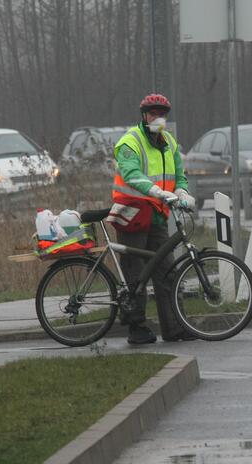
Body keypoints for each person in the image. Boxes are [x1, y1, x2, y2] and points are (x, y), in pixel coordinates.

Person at [109, 93, 196, 345]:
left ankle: (175, 327)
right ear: (144, 115)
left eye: (162, 114)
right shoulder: (130, 142)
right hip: (133, 214)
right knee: (136, 274)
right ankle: (136, 328)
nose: (158, 118)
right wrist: (157, 192)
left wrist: (182, 192)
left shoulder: (168, 141)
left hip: (158, 214)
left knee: (167, 270)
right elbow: (131, 173)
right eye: (153, 113)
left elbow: (179, 175)